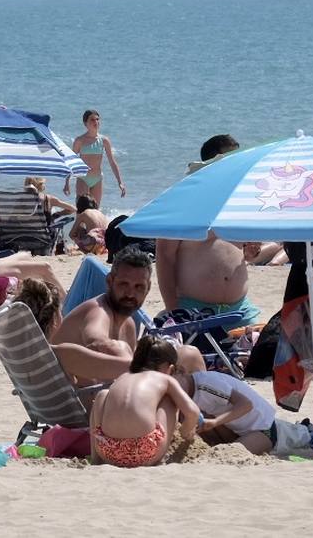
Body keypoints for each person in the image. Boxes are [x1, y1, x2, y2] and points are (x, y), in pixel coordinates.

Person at [51, 247, 203, 384]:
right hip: (93, 405)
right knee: (120, 348)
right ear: (110, 281)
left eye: (139, 287)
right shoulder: (98, 312)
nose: (130, 294)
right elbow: (97, 342)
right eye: (124, 284)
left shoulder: (128, 324)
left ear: (148, 288)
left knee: (189, 354)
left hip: (111, 397)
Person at [155, 138, 262, 326]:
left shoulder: (237, 201)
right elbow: (165, 255)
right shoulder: (184, 202)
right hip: (193, 309)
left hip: (240, 309)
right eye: (233, 157)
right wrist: (172, 308)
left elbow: (235, 252)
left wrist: (250, 253)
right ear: (213, 162)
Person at [89, 336, 200, 467]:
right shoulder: (165, 379)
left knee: (103, 395)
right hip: (146, 453)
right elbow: (193, 412)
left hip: (108, 451)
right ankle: (159, 461)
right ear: (170, 368)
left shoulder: (122, 378)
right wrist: (186, 431)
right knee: (170, 399)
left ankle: (95, 459)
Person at [174, 368, 277, 455]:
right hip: (234, 430)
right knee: (199, 418)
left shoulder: (205, 384)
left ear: (181, 372)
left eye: (174, 384)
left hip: (263, 428)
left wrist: (216, 422)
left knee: (230, 454)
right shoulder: (187, 391)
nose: (175, 391)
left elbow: (246, 404)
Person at [65, 110, 126, 205]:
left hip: (97, 179)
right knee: (82, 210)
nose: (96, 122)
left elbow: (112, 162)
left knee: (95, 210)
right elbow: (71, 162)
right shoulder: (80, 140)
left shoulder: (104, 141)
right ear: (85, 123)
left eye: (97, 119)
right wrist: (67, 182)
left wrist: (120, 182)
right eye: (92, 120)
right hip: (83, 178)